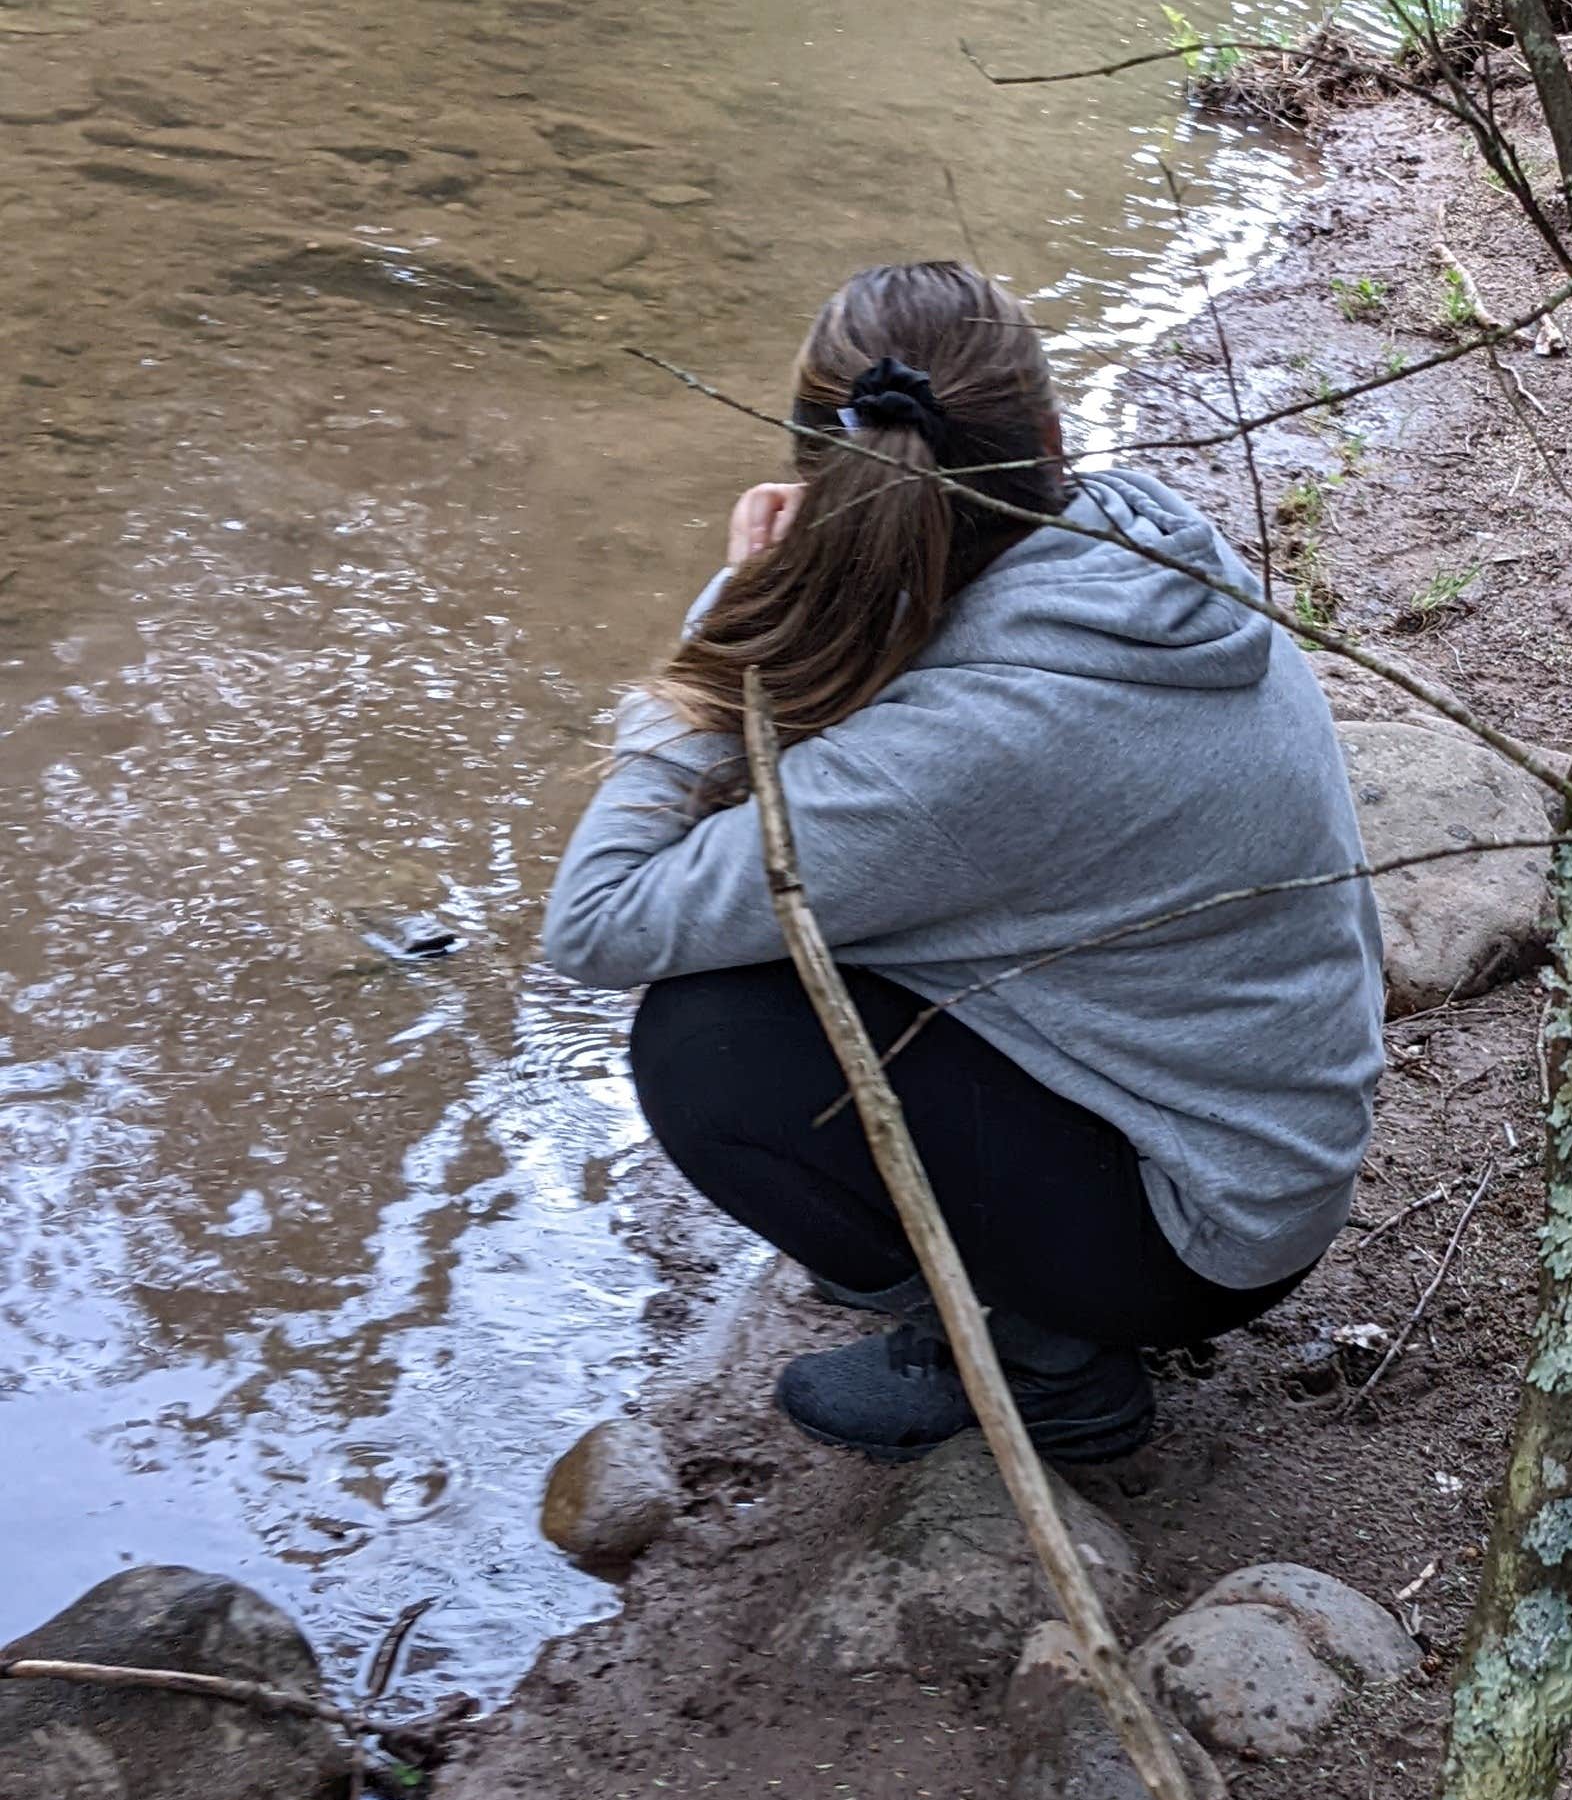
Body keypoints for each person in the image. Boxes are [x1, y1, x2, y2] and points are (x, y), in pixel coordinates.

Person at [542, 260, 1384, 1464]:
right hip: (1265, 1143)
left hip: (1196, 1231)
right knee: (796, 951)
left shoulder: (974, 746)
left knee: (707, 1047)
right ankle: (1014, 1263)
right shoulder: (1131, 548)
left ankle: (1041, 1368)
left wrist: (735, 613)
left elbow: (599, 919)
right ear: (1047, 436)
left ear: (817, 476)